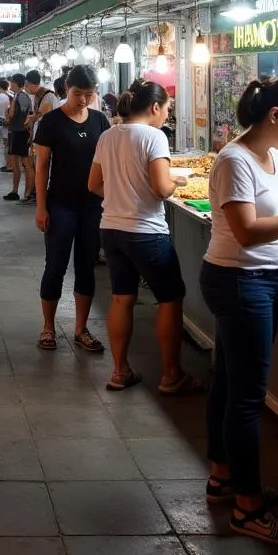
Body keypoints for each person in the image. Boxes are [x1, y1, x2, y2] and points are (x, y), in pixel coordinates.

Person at [201, 77, 278, 546]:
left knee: (229, 384)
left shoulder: (275, 157)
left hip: (260, 281)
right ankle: (248, 509)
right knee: (247, 397)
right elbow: (247, 231)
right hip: (240, 282)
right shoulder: (235, 160)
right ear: (275, 116)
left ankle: (224, 478)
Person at [89, 80, 200, 394]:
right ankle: (171, 375)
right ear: (155, 107)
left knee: (122, 298)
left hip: (111, 228)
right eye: (167, 108)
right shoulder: (154, 136)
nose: (166, 115)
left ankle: (120, 371)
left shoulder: (108, 135)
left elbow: (94, 184)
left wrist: (122, 196)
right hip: (146, 231)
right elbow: (162, 189)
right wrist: (176, 180)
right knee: (170, 298)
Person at [33, 65, 108, 352]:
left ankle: (81, 329)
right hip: (60, 204)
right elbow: (41, 168)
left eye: (89, 94)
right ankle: (48, 327)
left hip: (93, 207)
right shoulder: (51, 122)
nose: (83, 100)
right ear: (67, 88)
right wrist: (41, 208)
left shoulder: (100, 121)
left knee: (86, 267)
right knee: (55, 266)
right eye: (78, 93)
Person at [24, 70, 61, 204]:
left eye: (27, 85)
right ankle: (36, 193)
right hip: (38, 137)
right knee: (36, 166)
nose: (26, 88)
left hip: (47, 140)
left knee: (43, 167)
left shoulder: (48, 96)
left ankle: (42, 195)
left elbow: (49, 117)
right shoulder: (38, 97)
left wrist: (34, 118)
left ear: (33, 84)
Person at [4, 74, 34, 202]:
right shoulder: (19, 96)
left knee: (25, 163)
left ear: (16, 83)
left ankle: (27, 192)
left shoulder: (21, 96)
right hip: (18, 131)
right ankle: (15, 191)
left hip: (20, 132)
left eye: (11, 82)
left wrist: (10, 117)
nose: (10, 85)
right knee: (16, 162)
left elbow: (22, 113)